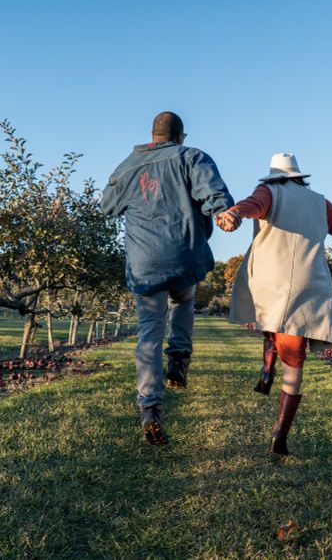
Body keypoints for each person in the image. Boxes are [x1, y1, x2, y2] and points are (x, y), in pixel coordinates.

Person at [216, 153, 332, 456]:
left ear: (275, 175)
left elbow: (250, 207)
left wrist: (234, 214)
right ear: (299, 176)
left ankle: (267, 369)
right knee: (295, 359)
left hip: (272, 283)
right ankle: (280, 431)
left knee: (270, 319)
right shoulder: (320, 202)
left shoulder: (268, 192)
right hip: (309, 285)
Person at [102, 112, 234, 445]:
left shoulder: (127, 166)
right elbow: (212, 194)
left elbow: (106, 206)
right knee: (185, 299)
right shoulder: (191, 156)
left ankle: (150, 407)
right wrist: (221, 212)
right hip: (182, 253)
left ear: (152, 135)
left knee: (149, 330)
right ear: (180, 136)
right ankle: (178, 359)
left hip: (144, 261)